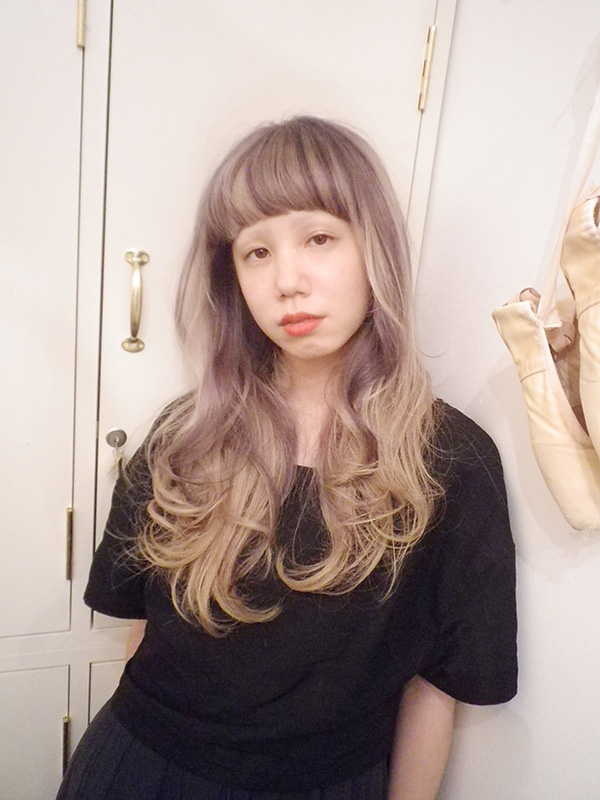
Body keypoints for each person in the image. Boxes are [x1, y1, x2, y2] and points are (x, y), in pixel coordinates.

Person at [57, 116, 517, 800]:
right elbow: (145, 637)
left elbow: (436, 689)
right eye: (256, 252)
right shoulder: (186, 438)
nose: (287, 281)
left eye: (319, 238)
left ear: (375, 248)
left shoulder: (452, 461)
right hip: (136, 769)